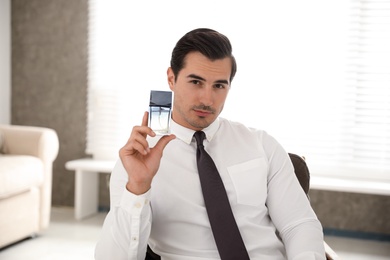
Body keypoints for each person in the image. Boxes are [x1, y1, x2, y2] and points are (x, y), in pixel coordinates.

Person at [95, 28, 326, 260]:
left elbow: (299, 224)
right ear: (171, 78)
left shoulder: (261, 145)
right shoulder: (137, 160)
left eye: (219, 86)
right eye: (196, 82)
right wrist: (138, 186)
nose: (207, 99)